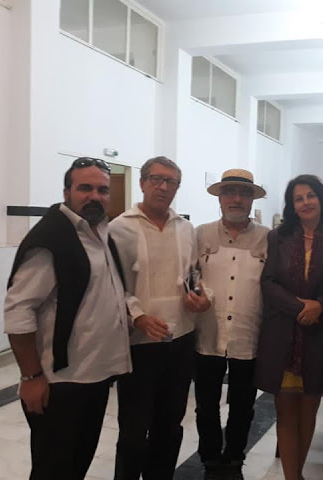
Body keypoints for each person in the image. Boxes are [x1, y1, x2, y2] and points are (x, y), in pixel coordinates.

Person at [4, 157, 132, 480]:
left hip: (94, 377)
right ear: (66, 192)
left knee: (76, 465)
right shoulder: (52, 238)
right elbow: (18, 310)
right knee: (53, 469)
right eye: (85, 188)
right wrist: (31, 377)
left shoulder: (99, 232)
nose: (95, 196)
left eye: (102, 190)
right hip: (60, 383)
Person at [110, 156, 211, 480]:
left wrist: (200, 296)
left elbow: (192, 274)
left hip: (180, 340)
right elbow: (112, 285)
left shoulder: (185, 229)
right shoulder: (119, 228)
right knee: (133, 429)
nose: (163, 187)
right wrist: (138, 316)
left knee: (169, 425)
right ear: (142, 182)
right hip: (139, 344)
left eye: (171, 182)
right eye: (156, 179)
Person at [256, 174, 323, 480]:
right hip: (283, 336)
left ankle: (297, 474)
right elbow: (268, 283)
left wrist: (320, 306)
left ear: (321, 199)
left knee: (308, 413)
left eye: (311, 195)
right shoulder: (277, 238)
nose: (306, 202)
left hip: (319, 337)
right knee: (285, 413)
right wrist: (300, 307)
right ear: (291, 206)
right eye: (299, 198)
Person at [194, 168, 270, 480]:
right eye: (230, 192)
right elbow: (189, 275)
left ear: (252, 200)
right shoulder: (200, 234)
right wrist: (195, 293)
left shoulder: (267, 238)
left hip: (248, 336)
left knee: (243, 406)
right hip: (207, 335)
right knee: (206, 405)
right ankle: (210, 459)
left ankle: (235, 458)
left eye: (244, 193)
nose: (236, 199)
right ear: (220, 198)